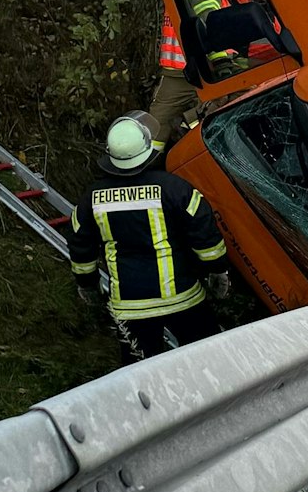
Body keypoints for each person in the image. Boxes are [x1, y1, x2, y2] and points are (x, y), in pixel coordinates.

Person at [69, 111, 233, 356]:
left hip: (130, 308)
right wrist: (217, 270)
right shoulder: (174, 189)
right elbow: (205, 236)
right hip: (184, 300)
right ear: (147, 148)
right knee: (209, 362)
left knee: (142, 377)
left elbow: (81, 247)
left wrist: (87, 285)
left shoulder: (91, 198)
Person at [147, 0, 240, 148]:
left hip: (176, 70)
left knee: (155, 128)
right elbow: (211, 27)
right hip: (203, 69)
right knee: (233, 108)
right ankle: (186, 124)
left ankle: (143, 164)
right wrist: (222, 65)